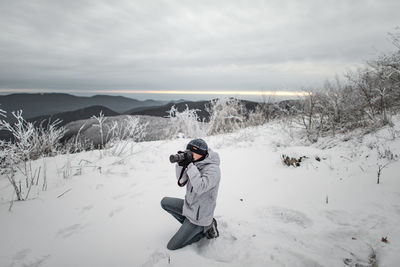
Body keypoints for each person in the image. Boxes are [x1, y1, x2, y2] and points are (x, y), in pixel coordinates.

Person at [161, 138, 221, 250]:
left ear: (201, 154)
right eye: (188, 151)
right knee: (164, 202)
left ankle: (203, 230)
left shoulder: (213, 170)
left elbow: (200, 187)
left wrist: (189, 165)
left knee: (172, 246)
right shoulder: (195, 163)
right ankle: (189, 229)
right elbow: (182, 181)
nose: (190, 154)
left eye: (193, 153)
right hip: (189, 207)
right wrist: (180, 164)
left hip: (199, 217)